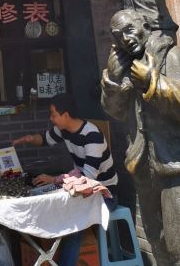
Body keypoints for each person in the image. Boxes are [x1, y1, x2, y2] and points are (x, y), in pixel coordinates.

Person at [101, 9, 180, 266]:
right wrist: (113, 80)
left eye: (129, 29)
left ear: (145, 26)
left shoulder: (172, 56)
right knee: (158, 245)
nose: (126, 39)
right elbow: (115, 112)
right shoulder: (126, 68)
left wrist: (152, 82)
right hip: (144, 167)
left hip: (178, 164)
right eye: (118, 35)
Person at [13, 93, 117, 266]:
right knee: (62, 215)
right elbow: (44, 139)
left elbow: (88, 178)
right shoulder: (63, 130)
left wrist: (55, 180)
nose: (51, 119)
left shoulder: (92, 135)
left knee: (74, 226)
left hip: (104, 194)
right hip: (83, 191)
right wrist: (30, 139)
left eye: (53, 114)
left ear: (66, 115)